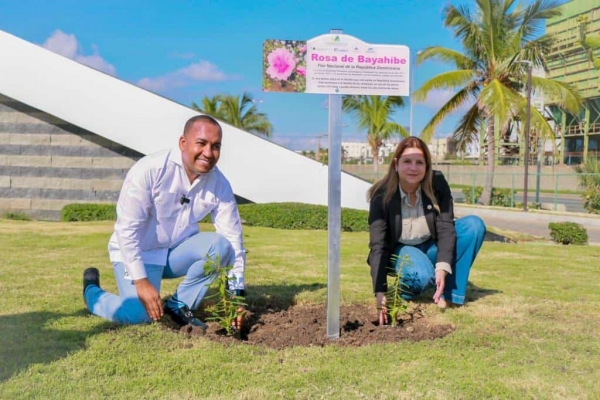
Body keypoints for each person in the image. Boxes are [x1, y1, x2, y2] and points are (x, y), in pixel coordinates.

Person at [82, 115, 246, 330]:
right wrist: (141, 281)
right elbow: (127, 230)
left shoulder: (219, 183)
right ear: (183, 143)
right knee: (138, 316)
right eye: (201, 143)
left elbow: (233, 240)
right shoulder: (150, 170)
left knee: (221, 246)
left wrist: (236, 294)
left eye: (215, 146)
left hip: (175, 253)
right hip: (138, 252)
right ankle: (92, 293)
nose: (208, 153)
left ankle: (180, 304)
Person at [367, 137, 485, 325]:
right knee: (421, 275)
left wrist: (442, 267)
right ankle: (401, 293)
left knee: (474, 226)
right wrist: (380, 290)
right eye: (407, 161)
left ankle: (450, 296)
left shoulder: (437, 183)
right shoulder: (381, 196)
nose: (413, 168)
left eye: (419, 162)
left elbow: (446, 226)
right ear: (396, 164)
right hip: (401, 250)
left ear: (427, 166)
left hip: (430, 245)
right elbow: (378, 244)